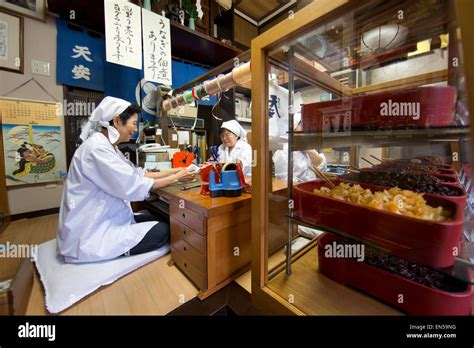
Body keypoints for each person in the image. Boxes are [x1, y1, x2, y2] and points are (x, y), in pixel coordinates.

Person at [57, 96, 192, 263]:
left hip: (108, 217)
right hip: (90, 232)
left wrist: (172, 171)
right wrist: (178, 177)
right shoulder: (96, 150)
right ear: (117, 121)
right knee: (166, 230)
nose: (135, 129)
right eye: (134, 123)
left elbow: (136, 174)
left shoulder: (109, 148)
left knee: (162, 219)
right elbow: (133, 185)